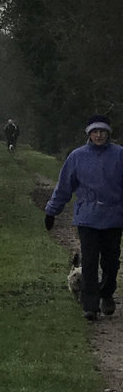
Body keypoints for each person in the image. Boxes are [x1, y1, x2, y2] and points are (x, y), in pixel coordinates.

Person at [46, 116, 123, 320]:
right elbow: (64, 187)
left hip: (114, 217)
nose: (98, 135)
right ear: (89, 133)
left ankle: (106, 293)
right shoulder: (77, 157)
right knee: (89, 261)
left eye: (102, 131)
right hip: (87, 217)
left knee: (111, 261)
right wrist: (52, 211)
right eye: (95, 132)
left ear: (108, 133)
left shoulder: (119, 155)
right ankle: (89, 305)